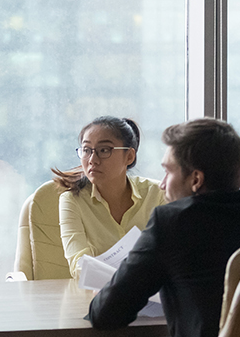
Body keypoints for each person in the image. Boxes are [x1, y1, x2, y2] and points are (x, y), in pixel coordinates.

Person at [88, 118, 240, 337]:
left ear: (196, 179)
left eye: (168, 172)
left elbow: (106, 314)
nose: (162, 184)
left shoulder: (173, 222)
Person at [54, 116, 165, 278]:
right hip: (98, 295)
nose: (92, 160)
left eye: (104, 150)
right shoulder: (72, 200)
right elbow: (78, 264)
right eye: (86, 150)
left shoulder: (157, 193)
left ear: (129, 156)